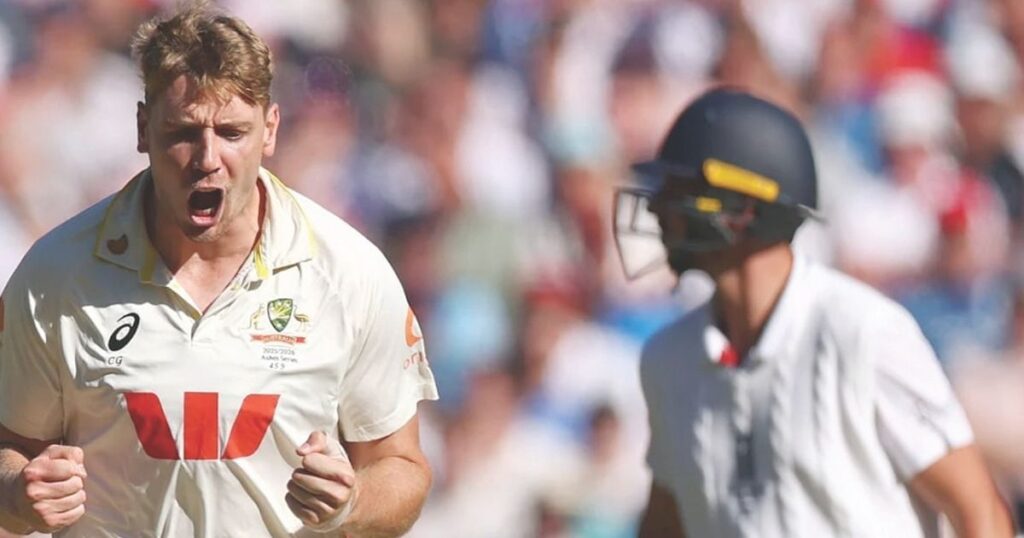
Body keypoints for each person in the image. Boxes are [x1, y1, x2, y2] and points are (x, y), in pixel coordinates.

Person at [0, 3, 438, 537]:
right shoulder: (57, 274)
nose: (207, 159)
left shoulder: (348, 271)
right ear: (143, 127)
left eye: (232, 132)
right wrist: (18, 493)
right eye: (183, 132)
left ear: (270, 130)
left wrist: (355, 500)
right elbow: (11, 449)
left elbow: (402, 467)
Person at [613, 87, 1015, 537]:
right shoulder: (668, 359)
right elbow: (667, 523)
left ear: (744, 209)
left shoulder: (863, 332)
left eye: (682, 191)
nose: (657, 209)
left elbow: (980, 515)